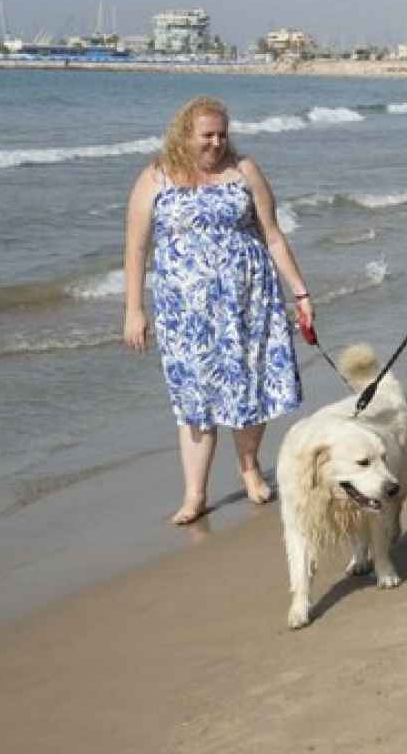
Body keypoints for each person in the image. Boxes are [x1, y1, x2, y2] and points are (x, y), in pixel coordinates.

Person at [122, 96, 309, 526]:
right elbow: (135, 248)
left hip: (250, 301)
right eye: (207, 135)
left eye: (222, 134)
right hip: (184, 313)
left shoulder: (244, 171)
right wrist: (134, 309)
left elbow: (273, 235)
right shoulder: (155, 178)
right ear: (184, 135)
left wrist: (300, 292)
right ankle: (195, 494)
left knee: (251, 386)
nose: (216, 143)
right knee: (195, 399)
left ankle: (249, 468)